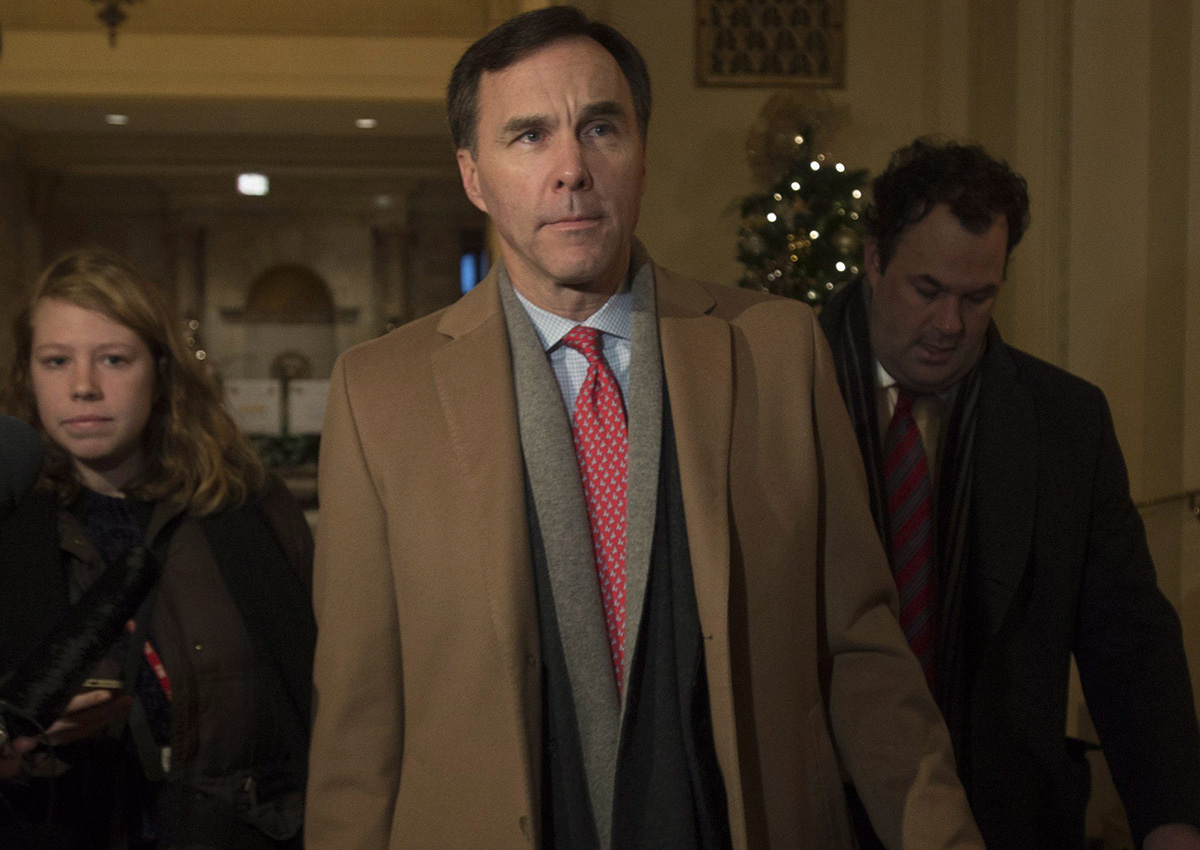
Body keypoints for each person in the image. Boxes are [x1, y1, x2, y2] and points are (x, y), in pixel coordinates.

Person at [305, 8, 983, 850]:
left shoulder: (772, 350)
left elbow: (862, 654)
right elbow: (358, 731)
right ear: (474, 175)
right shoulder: (381, 393)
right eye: (527, 136)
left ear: (641, 152)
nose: (571, 170)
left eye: (600, 128)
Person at [819, 137, 1200, 850]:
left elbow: (1130, 639)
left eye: (977, 297)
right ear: (874, 259)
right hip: (820, 812)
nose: (949, 326)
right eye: (927, 290)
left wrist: (1171, 820)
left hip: (1003, 817)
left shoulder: (1065, 423)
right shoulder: (783, 393)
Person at [0, 248, 316, 849]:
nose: (84, 387)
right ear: (27, 374)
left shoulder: (247, 510)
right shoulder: (10, 518)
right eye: (56, 361)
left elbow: (319, 693)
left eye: (114, 359)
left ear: (162, 371)